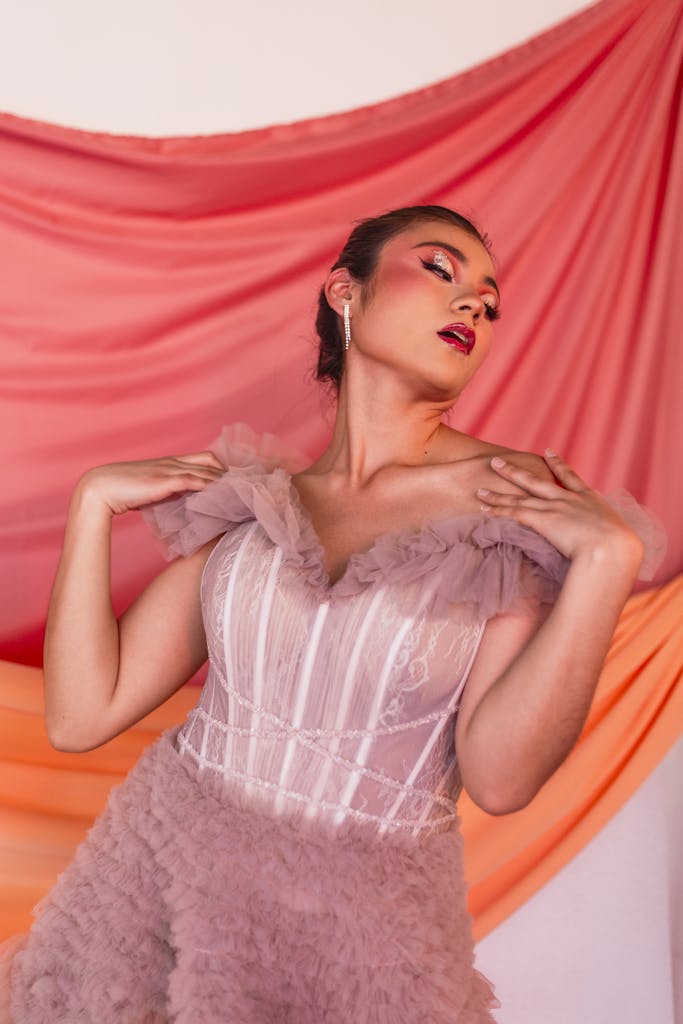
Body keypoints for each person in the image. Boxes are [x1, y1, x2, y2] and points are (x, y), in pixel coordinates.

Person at [0, 205, 663, 1023]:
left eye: (489, 304)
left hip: (361, 946)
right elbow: (79, 715)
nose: (472, 307)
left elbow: (499, 778)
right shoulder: (250, 510)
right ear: (343, 290)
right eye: (440, 270)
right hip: (152, 900)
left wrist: (603, 564)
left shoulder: (513, 504)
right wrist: (91, 504)